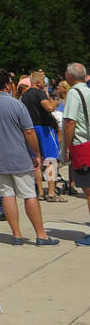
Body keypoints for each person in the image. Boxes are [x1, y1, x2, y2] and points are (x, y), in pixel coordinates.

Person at [0, 70, 58, 246]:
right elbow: (28, 131)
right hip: (19, 155)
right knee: (29, 195)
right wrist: (36, 153)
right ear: (8, 85)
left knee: (7, 195)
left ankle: (16, 234)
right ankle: (41, 235)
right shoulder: (16, 104)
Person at [20, 71, 64, 203]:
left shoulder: (25, 95)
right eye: (43, 80)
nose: (45, 83)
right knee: (51, 160)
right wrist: (56, 102)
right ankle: (51, 192)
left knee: (36, 160)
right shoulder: (39, 93)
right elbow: (49, 107)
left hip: (30, 128)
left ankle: (39, 192)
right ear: (38, 82)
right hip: (44, 127)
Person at [61, 63, 90, 246]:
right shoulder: (88, 91)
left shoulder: (73, 93)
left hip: (82, 146)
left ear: (70, 77)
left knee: (89, 191)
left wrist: (66, 147)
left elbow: (70, 122)